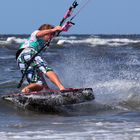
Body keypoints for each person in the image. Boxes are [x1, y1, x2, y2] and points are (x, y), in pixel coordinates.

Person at [16, 24, 65, 93]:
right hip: (28, 52)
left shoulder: (42, 45)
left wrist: (47, 88)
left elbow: (40, 71)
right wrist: (54, 29)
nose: (52, 36)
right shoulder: (35, 34)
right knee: (47, 69)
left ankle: (26, 90)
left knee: (39, 84)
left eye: (53, 34)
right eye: (50, 34)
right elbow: (40, 33)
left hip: (20, 59)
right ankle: (62, 88)